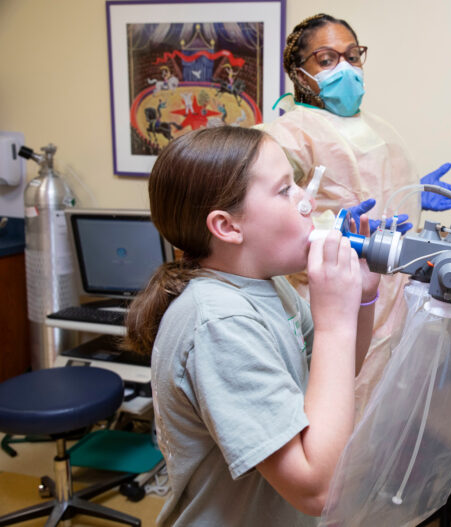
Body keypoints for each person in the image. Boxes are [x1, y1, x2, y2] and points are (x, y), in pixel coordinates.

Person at [124, 125, 380, 526]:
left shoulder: (268, 285)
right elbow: (317, 488)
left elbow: (334, 378)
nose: (306, 202)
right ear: (227, 227)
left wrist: (361, 300)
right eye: (285, 190)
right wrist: (334, 324)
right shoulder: (220, 323)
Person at [258, 13, 451, 417]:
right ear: (299, 73)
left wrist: (413, 196)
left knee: (379, 416)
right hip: (330, 296)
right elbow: (261, 214)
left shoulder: (377, 127)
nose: (346, 69)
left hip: (390, 293)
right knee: (333, 412)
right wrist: (332, 230)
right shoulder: (290, 133)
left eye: (353, 56)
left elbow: (371, 192)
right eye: (327, 59)